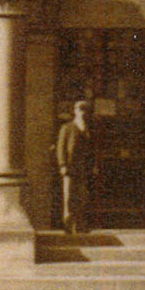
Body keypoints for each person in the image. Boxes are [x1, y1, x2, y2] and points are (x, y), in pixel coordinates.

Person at [54, 100, 90, 234]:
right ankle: (68, 224)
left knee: (82, 196)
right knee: (68, 197)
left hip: (82, 168)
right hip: (70, 167)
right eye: (80, 109)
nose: (82, 112)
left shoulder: (87, 128)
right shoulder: (67, 127)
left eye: (85, 109)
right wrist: (62, 164)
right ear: (75, 111)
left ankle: (79, 225)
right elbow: (60, 147)